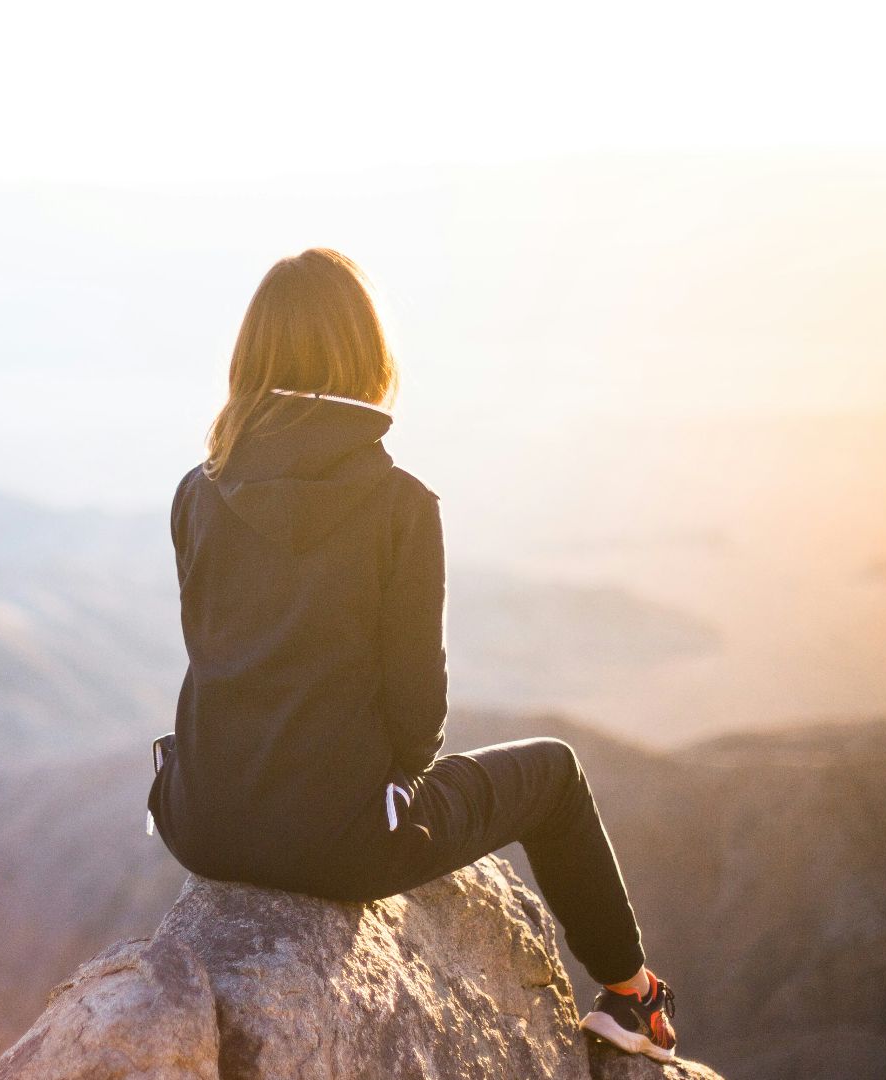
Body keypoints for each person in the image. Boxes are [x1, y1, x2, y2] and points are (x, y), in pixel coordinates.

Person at [145, 247, 679, 1063]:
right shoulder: (400, 505)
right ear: (367, 356)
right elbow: (418, 720)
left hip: (199, 820)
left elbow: (216, 652)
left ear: (250, 357)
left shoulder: (197, 488)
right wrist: (376, 795)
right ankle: (632, 995)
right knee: (557, 773)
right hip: (342, 843)